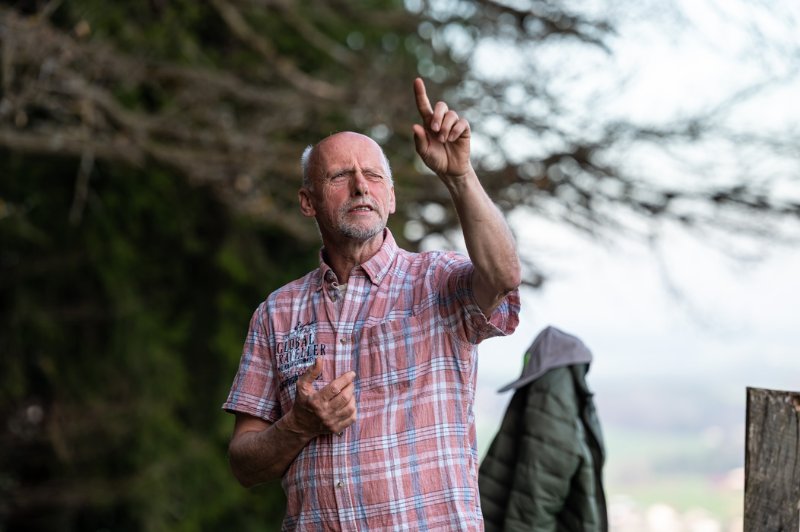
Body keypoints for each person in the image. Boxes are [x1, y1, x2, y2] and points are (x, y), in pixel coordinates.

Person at [222, 78, 521, 530]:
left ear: (391, 197)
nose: (361, 185)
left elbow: (503, 276)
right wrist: (298, 425)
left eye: (374, 175)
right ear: (308, 202)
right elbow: (244, 463)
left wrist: (459, 176)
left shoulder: (436, 280)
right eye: (340, 176)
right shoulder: (276, 313)